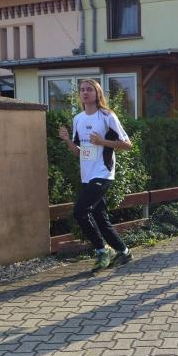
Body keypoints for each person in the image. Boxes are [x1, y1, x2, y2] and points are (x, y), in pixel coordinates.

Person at [58, 78, 133, 272]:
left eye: (89, 89)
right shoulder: (78, 119)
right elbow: (79, 152)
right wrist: (67, 141)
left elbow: (127, 144)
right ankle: (123, 251)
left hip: (103, 173)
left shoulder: (107, 116)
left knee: (80, 211)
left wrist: (102, 142)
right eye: (82, 89)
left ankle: (102, 250)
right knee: (100, 217)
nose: (85, 92)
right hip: (87, 175)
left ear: (97, 93)